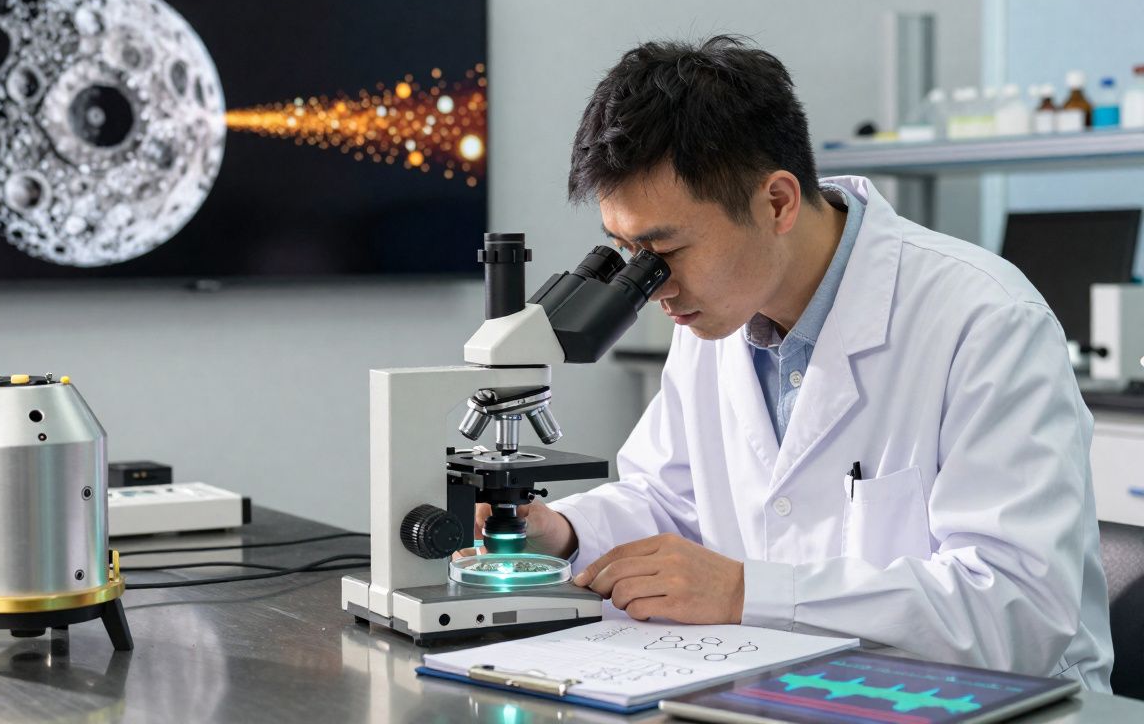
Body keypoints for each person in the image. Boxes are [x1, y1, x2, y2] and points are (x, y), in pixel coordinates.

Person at [471, 36, 1113, 690]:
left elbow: (1019, 610)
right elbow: (669, 501)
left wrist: (752, 592)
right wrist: (565, 532)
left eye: (664, 251)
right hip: (795, 691)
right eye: (626, 252)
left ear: (776, 203)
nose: (652, 285)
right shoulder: (712, 315)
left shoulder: (986, 320)